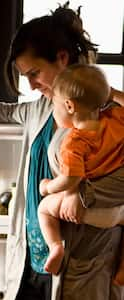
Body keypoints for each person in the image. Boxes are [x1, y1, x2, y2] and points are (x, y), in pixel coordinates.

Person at [0, 2, 124, 300]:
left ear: (62, 58)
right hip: (33, 251)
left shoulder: (101, 113)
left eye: (35, 73)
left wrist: (79, 195)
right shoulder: (39, 109)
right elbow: (0, 112)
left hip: (84, 258)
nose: (30, 84)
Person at [37, 64, 124, 277]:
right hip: (116, 212)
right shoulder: (116, 119)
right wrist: (110, 93)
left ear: (68, 106)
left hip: (91, 212)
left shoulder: (75, 141)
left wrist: (48, 187)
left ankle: (55, 246)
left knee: (44, 209)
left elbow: (70, 179)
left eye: (53, 105)